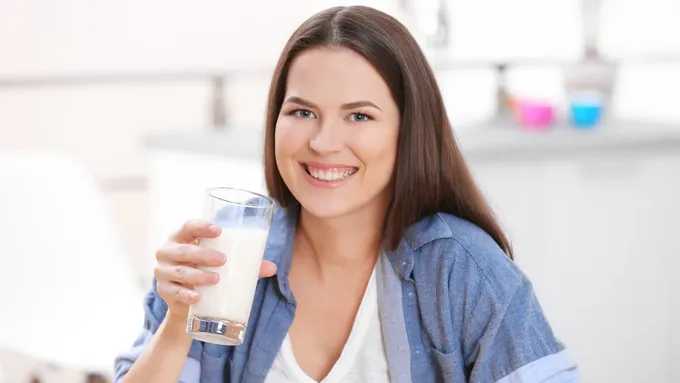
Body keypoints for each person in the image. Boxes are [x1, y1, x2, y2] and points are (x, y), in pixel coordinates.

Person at [115, 5, 579, 383]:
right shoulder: (227, 261)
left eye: (359, 116)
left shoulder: (460, 269)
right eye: (301, 112)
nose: (322, 142)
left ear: (408, 130)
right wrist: (178, 321)